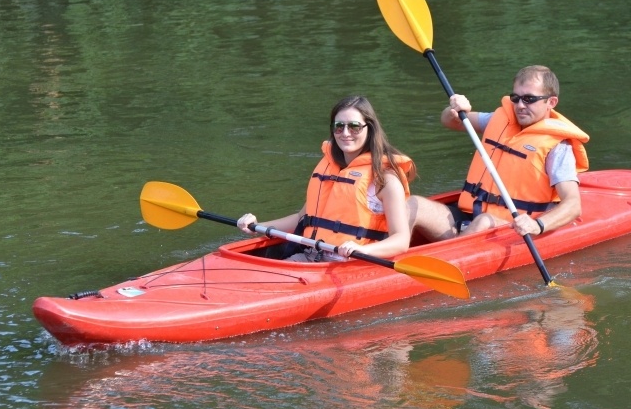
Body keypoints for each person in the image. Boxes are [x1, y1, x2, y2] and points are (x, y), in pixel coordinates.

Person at [408, 65, 589, 242]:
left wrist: (537, 225)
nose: (520, 105)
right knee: (413, 204)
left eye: (529, 99)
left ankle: (445, 261)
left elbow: (573, 205)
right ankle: (388, 255)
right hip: (467, 215)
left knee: (484, 220)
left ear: (551, 102)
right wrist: (455, 109)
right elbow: (451, 122)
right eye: (515, 98)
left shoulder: (558, 147)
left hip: (511, 227)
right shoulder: (499, 120)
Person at [237, 95, 417, 262]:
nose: (345, 133)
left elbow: (400, 241)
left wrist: (362, 250)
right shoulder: (330, 169)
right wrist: (257, 226)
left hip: (353, 263)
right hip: (311, 256)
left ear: (369, 129)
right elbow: (301, 218)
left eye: (354, 126)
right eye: (339, 126)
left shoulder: (386, 179)